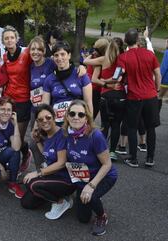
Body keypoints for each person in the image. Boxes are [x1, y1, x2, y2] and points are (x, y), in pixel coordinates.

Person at [63, 99, 117, 236]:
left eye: (81, 115)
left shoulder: (95, 135)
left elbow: (107, 164)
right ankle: (89, 196)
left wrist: (91, 186)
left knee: (91, 197)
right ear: (67, 116)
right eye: (72, 113)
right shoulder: (66, 133)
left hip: (103, 176)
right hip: (82, 176)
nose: (76, 117)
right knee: (83, 218)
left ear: (86, 117)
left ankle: (101, 216)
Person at [21, 104, 75, 220]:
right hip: (53, 176)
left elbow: (61, 163)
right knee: (26, 203)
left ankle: (61, 202)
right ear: (37, 122)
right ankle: (56, 195)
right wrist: (37, 141)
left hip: (66, 179)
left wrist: (38, 173)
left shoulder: (62, 135)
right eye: (40, 120)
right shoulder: (47, 134)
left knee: (33, 183)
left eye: (48, 117)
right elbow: (47, 155)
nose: (45, 121)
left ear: (54, 117)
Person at [117, 28, 161, 167]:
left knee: (132, 127)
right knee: (150, 128)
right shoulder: (149, 54)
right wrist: (157, 88)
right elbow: (158, 75)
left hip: (134, 96)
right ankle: (150, 158)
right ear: (137, 40)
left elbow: (119, 76)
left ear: (125, 41)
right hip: (150, 95)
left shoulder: (123, 57)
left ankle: (134, 158)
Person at [1, 25, 33, 173]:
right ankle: (12, 164)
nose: (9, 40)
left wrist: (80, 67)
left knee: (17, 138)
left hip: (23, 100)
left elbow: (44, 61)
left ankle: (26, 153)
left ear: (17, 39)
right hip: (8, 100)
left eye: (11, 37)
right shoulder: (5, 56)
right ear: (3, 41)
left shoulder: (26, 53)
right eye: (6, 38)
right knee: (8, 135)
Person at [91, 39, 126, 161]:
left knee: (105, 125)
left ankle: (102, 150)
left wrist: (104, 82)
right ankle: (112, 151)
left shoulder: (103, 60)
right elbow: (119, 77)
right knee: (116, 125)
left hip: (105, 96)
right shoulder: (123, 59)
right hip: (119, 96)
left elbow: (86, 61)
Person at [42, 41, 93, 126]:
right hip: (57, 125)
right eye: (56, 55)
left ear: (69, 55)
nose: (59, 58)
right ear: (53, 57)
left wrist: (90, 124)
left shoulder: (81, 75)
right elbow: (45, 106)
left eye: (63, 54)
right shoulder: (49, 79)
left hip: (76, 124)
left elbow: (88, 103)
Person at [28, 36, 55, 114]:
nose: (35, 52)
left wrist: (81, 67)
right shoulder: (30, 66)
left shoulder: (51, 63)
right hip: (35, 109)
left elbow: (66, 66)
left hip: (50, 109)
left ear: (44, 51)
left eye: (39, 49)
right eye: (33, 49)